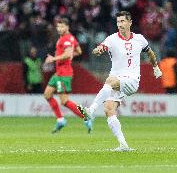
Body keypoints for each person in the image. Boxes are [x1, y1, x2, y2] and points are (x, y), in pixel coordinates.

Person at [77, 11, 162, 151]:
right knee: (108, 109)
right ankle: (123, 145)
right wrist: (97, 50)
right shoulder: (111, 39)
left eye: (123, 21)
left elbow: (150, 53)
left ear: (130, 22)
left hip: (132, 80)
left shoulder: (140, 39)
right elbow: (99, 48)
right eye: (118, 22)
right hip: (117, 80)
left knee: (109, 81)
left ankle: (91, 111)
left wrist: (156, 68)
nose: (120, 24)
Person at [44, 17, 86, 133]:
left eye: (62, 26)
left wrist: (54, 58)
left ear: (67, 27)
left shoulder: (66, 39)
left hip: (63, 74)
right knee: (47, 94)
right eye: (58, 26)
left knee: (64, 101)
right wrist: (69, 55)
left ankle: (85, 115)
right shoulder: (70, 38)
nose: (59, 29)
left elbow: (67, 54)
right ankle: (60, 119)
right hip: (59, 73)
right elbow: (78, 51)